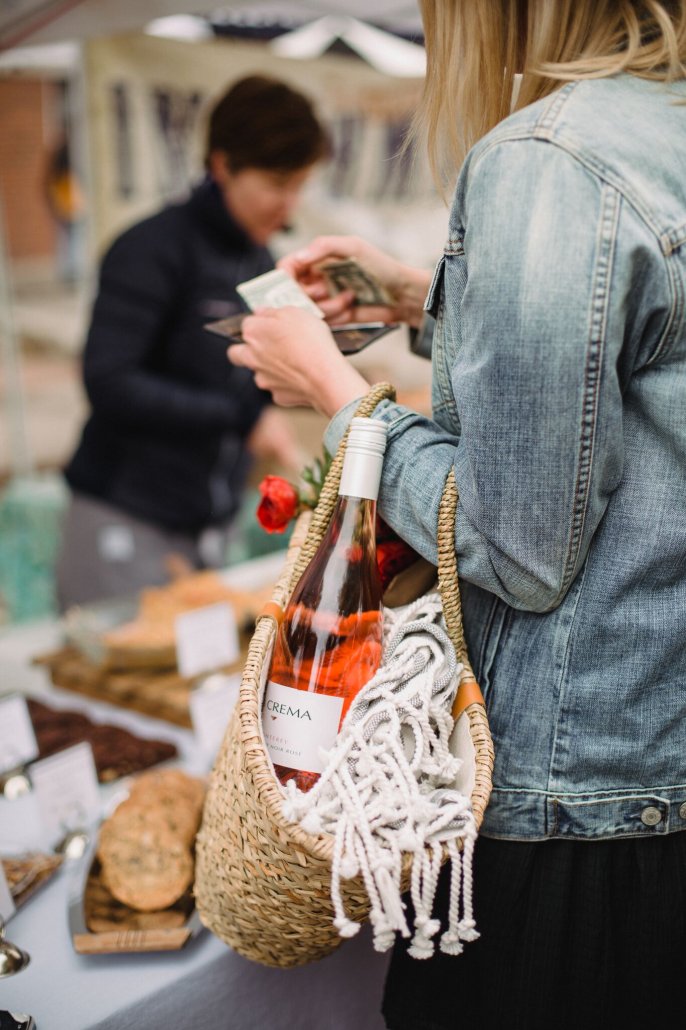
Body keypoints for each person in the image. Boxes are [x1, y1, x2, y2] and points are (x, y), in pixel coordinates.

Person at [226, 3, 686, 1027]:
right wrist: (419, 298)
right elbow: (644, 366)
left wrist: (344, 406)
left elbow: (518, 545)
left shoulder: (556, 154)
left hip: (565, 818)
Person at [56, 75, 329, 608]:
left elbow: (245, 378)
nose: (289, 204)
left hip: (209, 525)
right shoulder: (151, 249)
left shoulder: (258, 258)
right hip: (127, 516)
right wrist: (242, 418)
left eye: (300, 184)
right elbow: (109, 381)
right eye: (277, 183)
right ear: (223, 165)